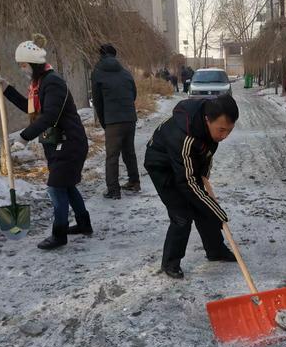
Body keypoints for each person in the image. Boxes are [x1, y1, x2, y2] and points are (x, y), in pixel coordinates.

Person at [0, 34, 91, 249]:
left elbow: (49, 116)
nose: (22, 69)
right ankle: (84, 224)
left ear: (34, 64)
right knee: (66, 186)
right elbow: (31, 108)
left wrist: (24, 137)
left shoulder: (53, 83)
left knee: (56, 187)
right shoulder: (39, 84)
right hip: (57, 143)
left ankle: (59, 234)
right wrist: (7, 89)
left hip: (69, 143)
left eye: (24, 65)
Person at [144, 94, 239, 279]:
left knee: (203, 207)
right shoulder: (184, 137)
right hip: (162, 168)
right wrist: (216, 210)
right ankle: (170, 262)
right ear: (207, 120)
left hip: (185, 167)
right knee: (182, 215)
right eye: (221, 130)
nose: (224, 136)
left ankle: (215, 251)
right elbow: (187, 182)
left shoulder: (211, 129)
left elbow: (205, 158)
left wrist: (205, 180)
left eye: (229, 130)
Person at [92, 44, 140, 200]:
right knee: (129, 152)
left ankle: (114, 190)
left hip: (113, 120)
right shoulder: (125, 73)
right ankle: (134, 182)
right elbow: (133, 94)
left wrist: (104, 121)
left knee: (112, 156)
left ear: (101, 55)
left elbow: (98, 101)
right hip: (129, 118)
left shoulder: (97, 73)